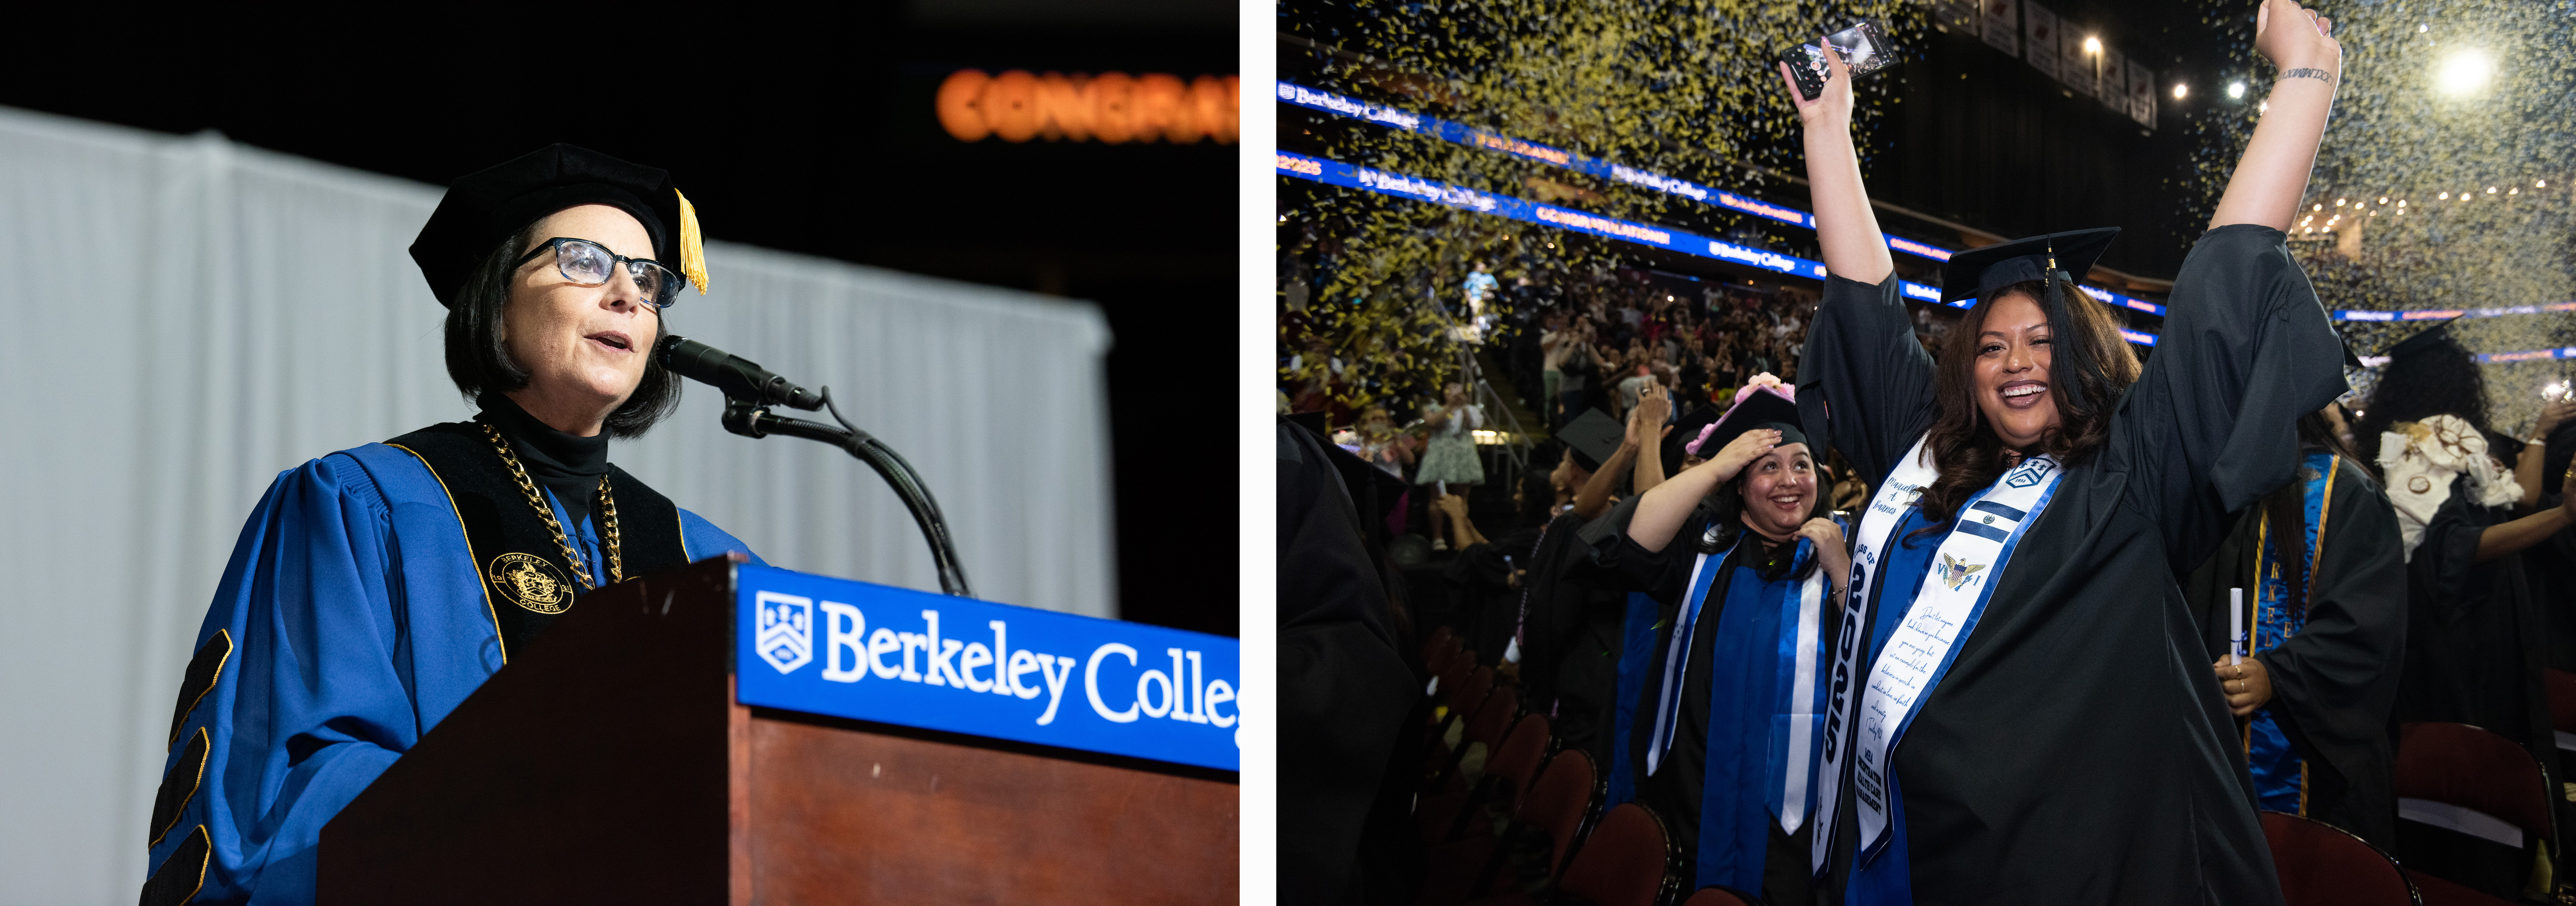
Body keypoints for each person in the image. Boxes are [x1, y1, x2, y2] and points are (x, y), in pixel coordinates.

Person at [1787, 2, 2346, 900]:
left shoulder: (2129, 478)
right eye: (1994, 346)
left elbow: (2225, 277)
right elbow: (1862, 306)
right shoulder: (1928, 470)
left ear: (2083, 359)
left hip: (2083, 866)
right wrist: (1827, 128)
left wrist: (2303, 76)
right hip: (1924, 850)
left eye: (2042, 343)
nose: (2015, 363)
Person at [145, 145, 763, 904]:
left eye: (647, 278)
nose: (627, 296)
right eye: (585, 261)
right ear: (497, 295)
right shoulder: (360, 504)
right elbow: (297, 786)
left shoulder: (711, 563)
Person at [1582, 380, 1846, 901]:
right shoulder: (1700, 551)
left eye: (1801, 465)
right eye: (1767, 467)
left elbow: (1877, 662)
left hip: (1794, 820)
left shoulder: (1843, 551)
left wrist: (1841, 573)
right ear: (1739, 485)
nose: (1789, 480)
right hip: (1694, 795)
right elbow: (1625, 545)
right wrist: (1713, 467)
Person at [2361, 321, 2574, 889]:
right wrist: (2562, 518)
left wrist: (2538, 434)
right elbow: (2452, 549)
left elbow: (2516, 499)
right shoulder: (2426, 446)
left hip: (2450, 633)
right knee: (2464, 779)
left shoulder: (2429, 444)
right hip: (2456, 640)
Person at [2181, 408, 2408, 848]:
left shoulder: (2344, 492)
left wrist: (2276, 675)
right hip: (2209, 750)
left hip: (2314, 768)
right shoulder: (2203, 486)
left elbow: (2366, 628)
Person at [1417, 382, 1487, 551]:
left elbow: (1474, 426)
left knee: (1462, 499)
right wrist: (1449, 406)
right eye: (1451, 390)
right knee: (1437, 497)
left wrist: (1463, 407)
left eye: (1459, 390)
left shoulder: (1470, 409)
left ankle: (1460, 537)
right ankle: (1438, 538)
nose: (1455, 393)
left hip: (1463, 455)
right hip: (1440, 455)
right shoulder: (1433, 408)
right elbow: (1433, 422)